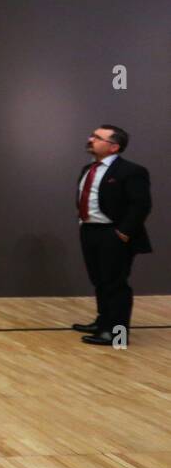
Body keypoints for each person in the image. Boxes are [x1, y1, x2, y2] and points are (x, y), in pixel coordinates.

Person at [74, 126, 153, 347]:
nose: (91, 139)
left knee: (115, 284)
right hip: (90, 231)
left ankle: (117, 333)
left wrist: (123, 233)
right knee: (99, 280)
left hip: (113, 234)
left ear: (114, 146)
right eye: (92, 135)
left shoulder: (132, 171)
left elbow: (141, 205)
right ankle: (103, 323)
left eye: (97, 137)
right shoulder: (88, 169)